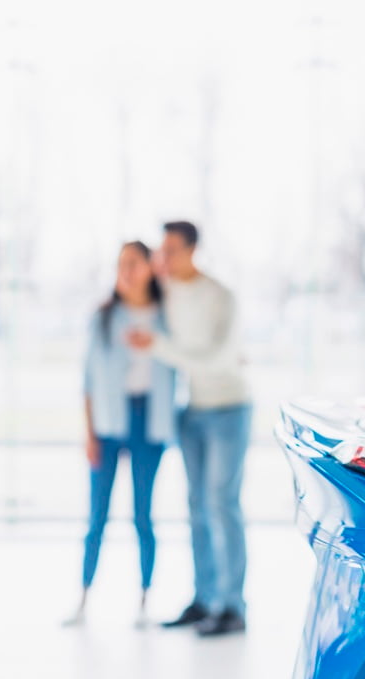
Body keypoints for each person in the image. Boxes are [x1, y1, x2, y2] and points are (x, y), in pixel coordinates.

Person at [127, 221, 251, 637]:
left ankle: (232, 606)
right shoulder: (165, 293)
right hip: (192, 410)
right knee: (197, 506)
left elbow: (218, 359)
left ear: (192, 250)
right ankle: (204, 600)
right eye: (160, 251)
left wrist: (157, 347)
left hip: (229, 407)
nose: (162, 259)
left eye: (171, 251)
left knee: (221, 503)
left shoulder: (220, 296)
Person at [67, 241, 176, 627]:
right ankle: (83, 600)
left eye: (133, 263)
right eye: (120, 264)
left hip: (150, 422)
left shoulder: (167, 316)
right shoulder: (103, 317)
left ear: (149, 268)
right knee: (96, 516)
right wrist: (89, 433)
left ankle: (145, 602)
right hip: (107, 424)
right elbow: (88, 380)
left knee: (143, 517)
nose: (125, 272)